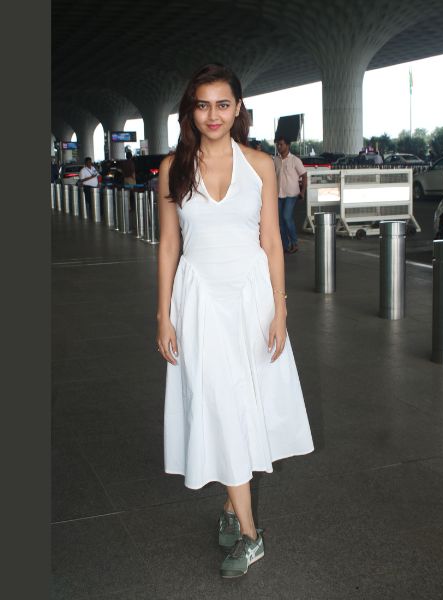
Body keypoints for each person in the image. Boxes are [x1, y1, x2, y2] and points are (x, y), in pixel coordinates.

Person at [156, 63, 314, 579]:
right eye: (203, 105)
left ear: (238, 108)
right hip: (199, 298)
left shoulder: (261, 164)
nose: (213, 115)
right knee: (219, 402)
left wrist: (280, 308)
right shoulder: (173, 167)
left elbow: (271, 242)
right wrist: (163, 314)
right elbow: (169, 246)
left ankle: (231, 506)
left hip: (250, 297)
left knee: (246, 402)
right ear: (191, 111)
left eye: (223, 104)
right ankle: (250, 534)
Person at [274, 135, 307, 253]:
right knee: (280, 222)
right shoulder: (275, 160)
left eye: (281, 144)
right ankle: (286, 245)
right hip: (278, 194)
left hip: (291, 194)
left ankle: (294, 243)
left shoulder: (295, 160)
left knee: (287, 217)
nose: (279, 147)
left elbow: (304, 175)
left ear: (288, 145)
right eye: (278, 144)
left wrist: (302, 192)